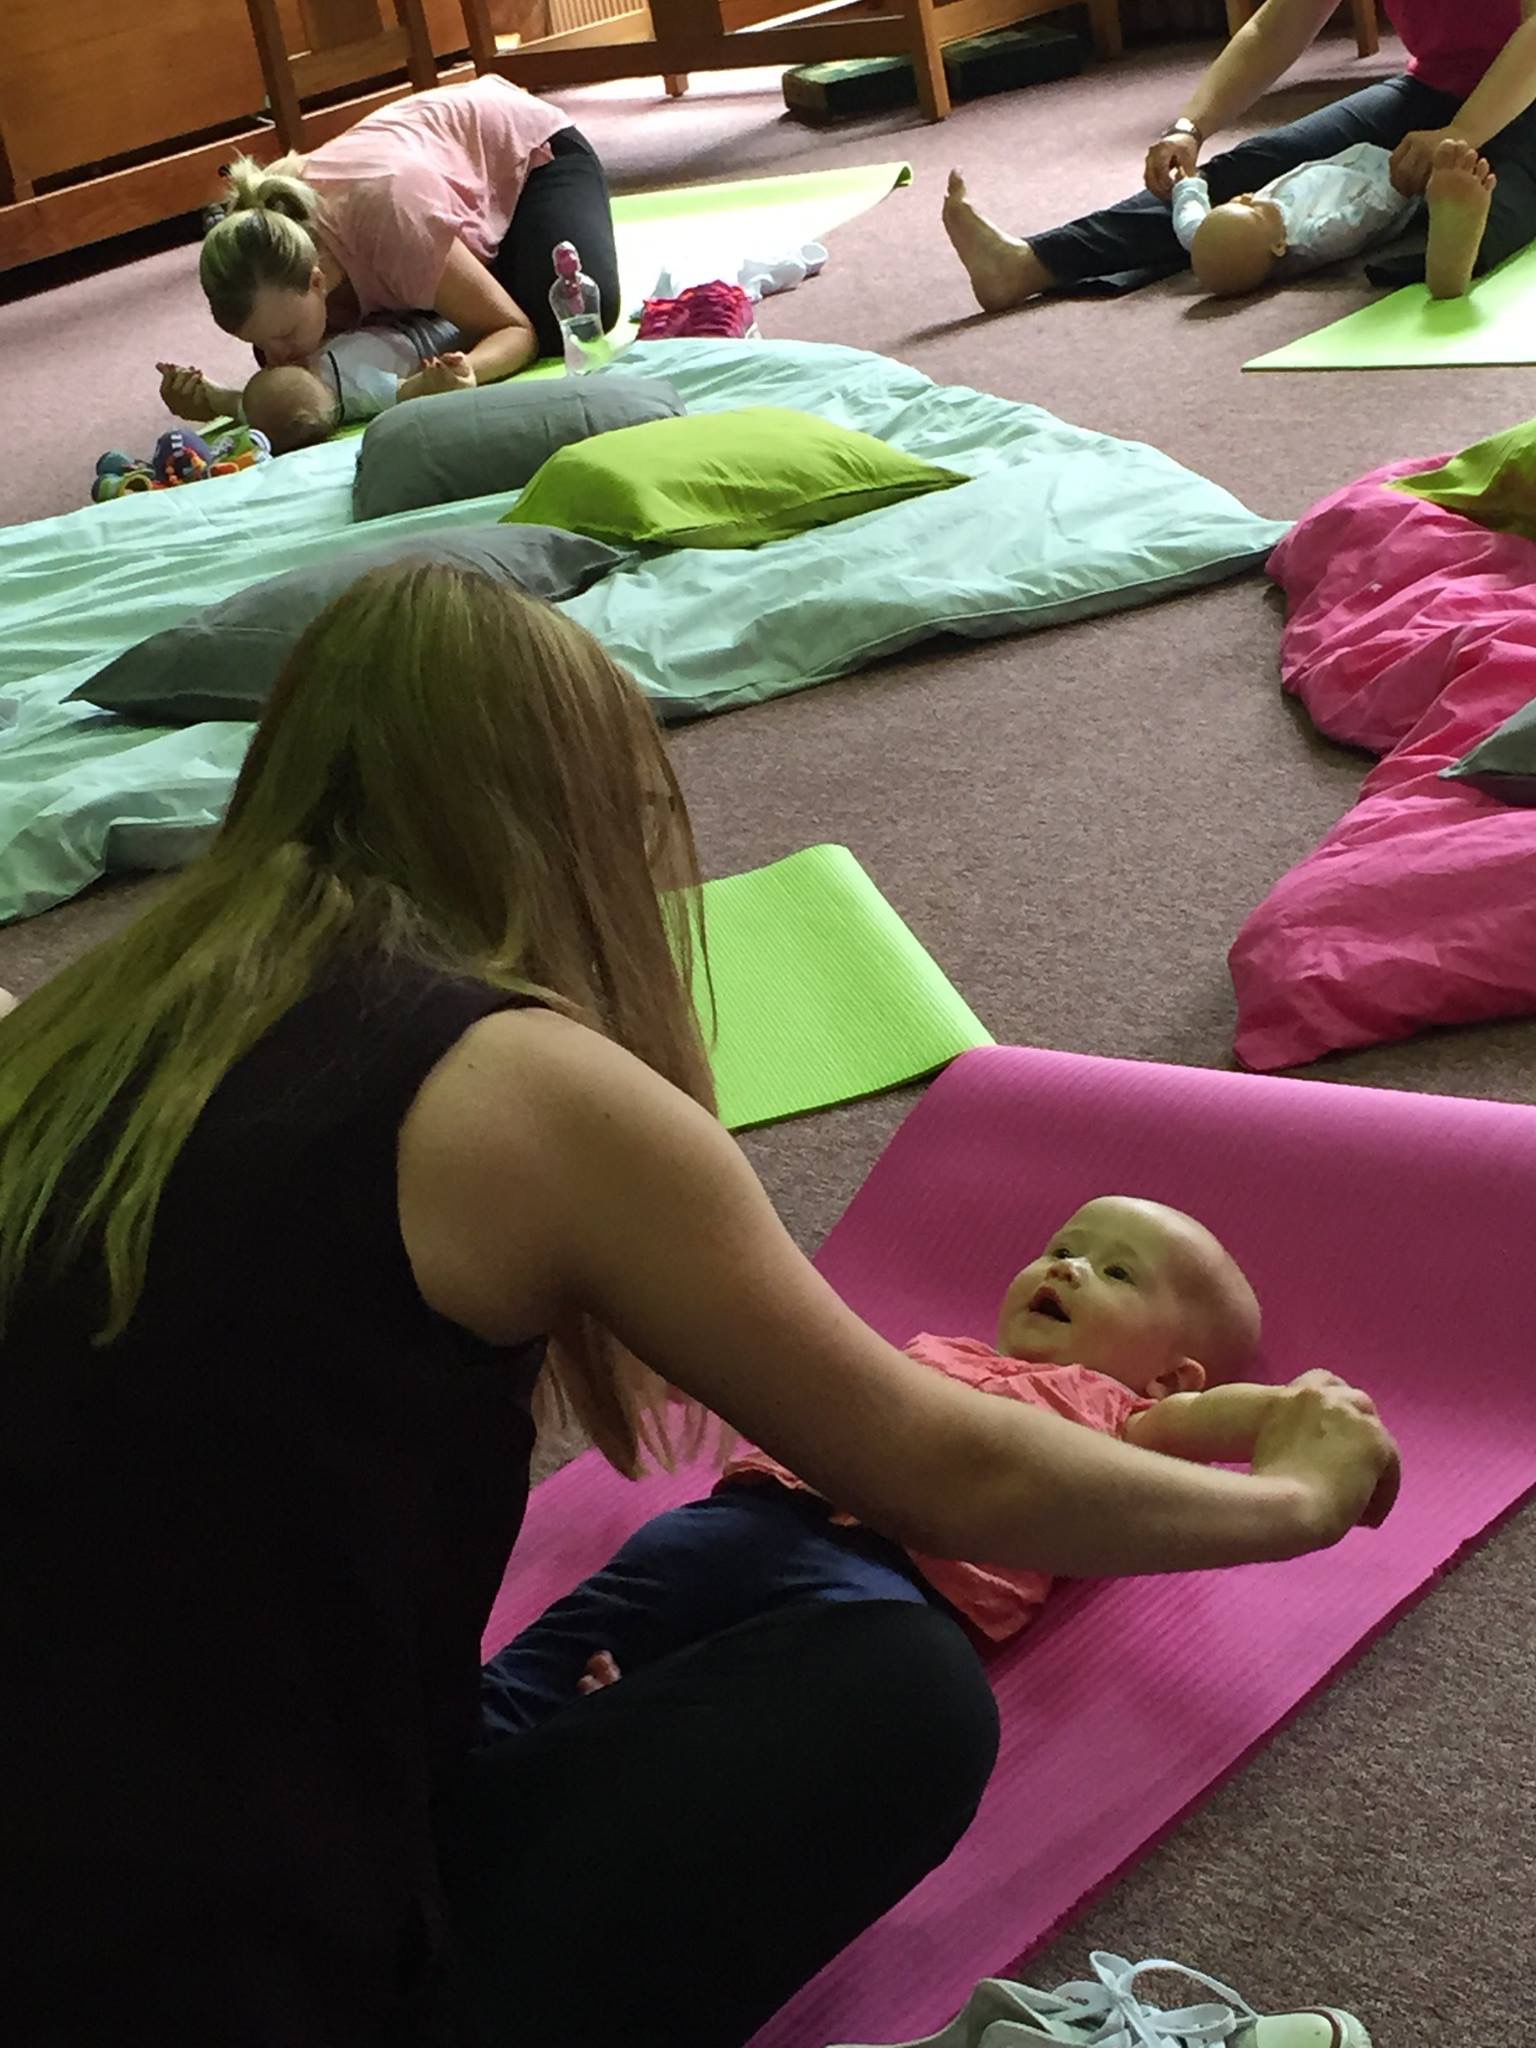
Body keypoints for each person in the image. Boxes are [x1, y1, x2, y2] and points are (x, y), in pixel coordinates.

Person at [0, 566, 1401, 2048]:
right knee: (895, 1701)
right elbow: (943, 1466)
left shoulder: (73, 1032)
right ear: (590, 818)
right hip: (203, 1966)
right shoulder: (523, 1085)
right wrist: (1294, 1505)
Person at [480, 1194, 1390, 1734]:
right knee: (606, 1614)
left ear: (1168, 1372)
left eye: (1118, 1275)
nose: (1068, 1269)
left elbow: (1208, 1424)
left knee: (771, 1712)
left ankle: (615, 1737)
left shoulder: (1121, 1411)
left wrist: (1299, 1418)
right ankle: (482, 1733)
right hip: (753, 1518)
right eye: (1065, 1248)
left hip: (889, 1591)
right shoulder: (933, 1354)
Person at [943, 0, 1536, 312]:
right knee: (1256, 166)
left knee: (1494, 191)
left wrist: (1461, 132)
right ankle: (1030, 264)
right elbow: (1273, 30)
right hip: (1433, 91)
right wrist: (1190, 127)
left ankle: (1451, 248)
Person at [156, 72, 618, 426]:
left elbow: (516, 332)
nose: (274, 354)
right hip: (416, 197)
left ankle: (464, 269)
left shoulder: (392, 221)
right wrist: (222, 400)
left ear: (318, 279)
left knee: (570, 317)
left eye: (282, 333)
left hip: (525, 148)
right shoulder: (273, 276)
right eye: (256, 341)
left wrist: (464, 375)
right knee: (300, 375)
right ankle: (455, 281)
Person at [1173, 136, 1493, 296]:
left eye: (1237, 203)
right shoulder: (1314, 238)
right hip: (1383, 178)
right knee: (1447, 176)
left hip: (1345, 160)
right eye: (1253, 210)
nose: (1246, 197)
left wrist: (1188, 186)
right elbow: (1361, 220)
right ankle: (1446, 219)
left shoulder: (1206, 237)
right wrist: (1398, 190)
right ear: (1280, 246)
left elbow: (1189, 222)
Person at [240, 317, 472, 454]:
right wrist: (428, 381)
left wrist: (217, 398)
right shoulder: (357, 393)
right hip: (418, 339)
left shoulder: (271, 408)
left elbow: (245, 407)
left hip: (380, 323)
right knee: (460, 327)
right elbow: (403, 391)